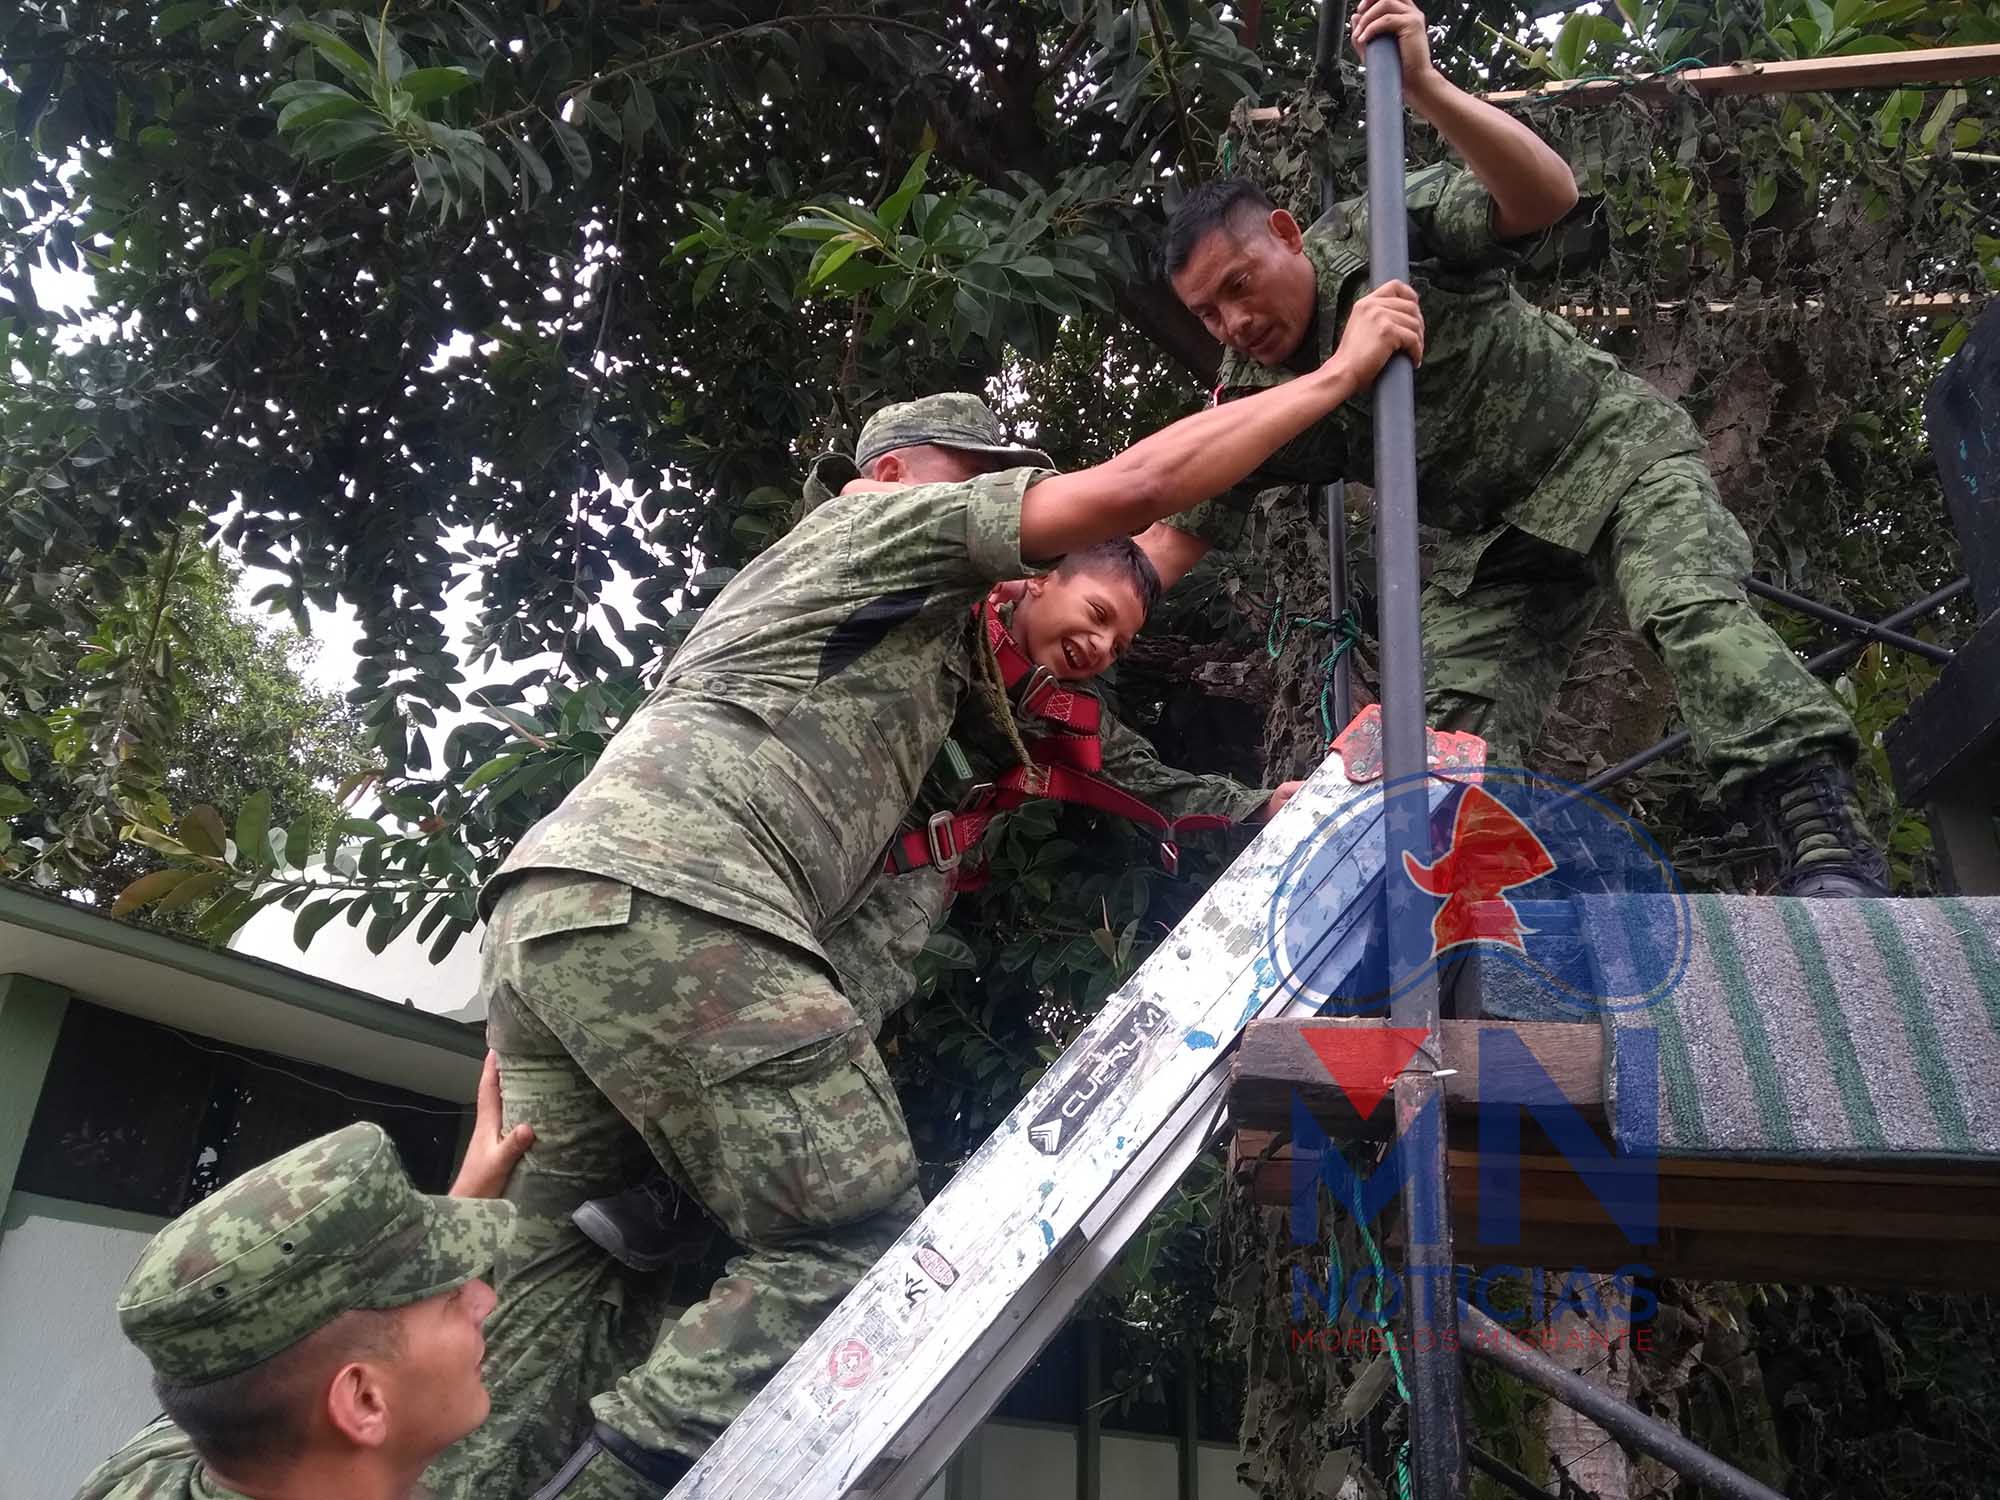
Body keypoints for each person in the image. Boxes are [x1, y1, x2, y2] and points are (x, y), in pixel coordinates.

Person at [455, 359, 1413, 1500]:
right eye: (985, 484)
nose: (1002, 520)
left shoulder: (950, 648)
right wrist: (1329, 376)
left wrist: (1266, 801)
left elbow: (1125, 577)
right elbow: (1120, 511)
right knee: (845, 1234)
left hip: (569, 913)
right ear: (895, 474)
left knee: (550, 1300)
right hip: (681, 897)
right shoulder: (877, 531)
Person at [1145, 0, 1887, 899]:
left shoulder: (1386, 233)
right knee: (1435, 755)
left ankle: (1820, 840)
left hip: (1609, 455)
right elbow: (1170, 537)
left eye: (1239, 286)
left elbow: (1546, 196)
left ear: (1288, 237)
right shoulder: (1259, 396)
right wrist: (1064, 608)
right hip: (1487, 554)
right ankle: (1473, 949)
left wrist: (1422, 83)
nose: (1235, 322)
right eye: (1208, 314)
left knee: (1684, 603)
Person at [573, 558, 1302, 1271]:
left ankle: (678, 1202)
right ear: (1038, 579)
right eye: (1098, 614)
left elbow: (1148, 781)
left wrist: (1255, 807)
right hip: (807, 832)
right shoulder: (945, 613)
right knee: (709, 973)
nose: (1102, 646)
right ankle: (613, 1141)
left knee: (823, 1027)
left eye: (1121, 642)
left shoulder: (1066, 713)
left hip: (904, 878)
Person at [72, 1053, 530, 1500]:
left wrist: (461, 1197)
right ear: (364, 1400)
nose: (483, 1299)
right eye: (448, 1297)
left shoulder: (152, 1470)